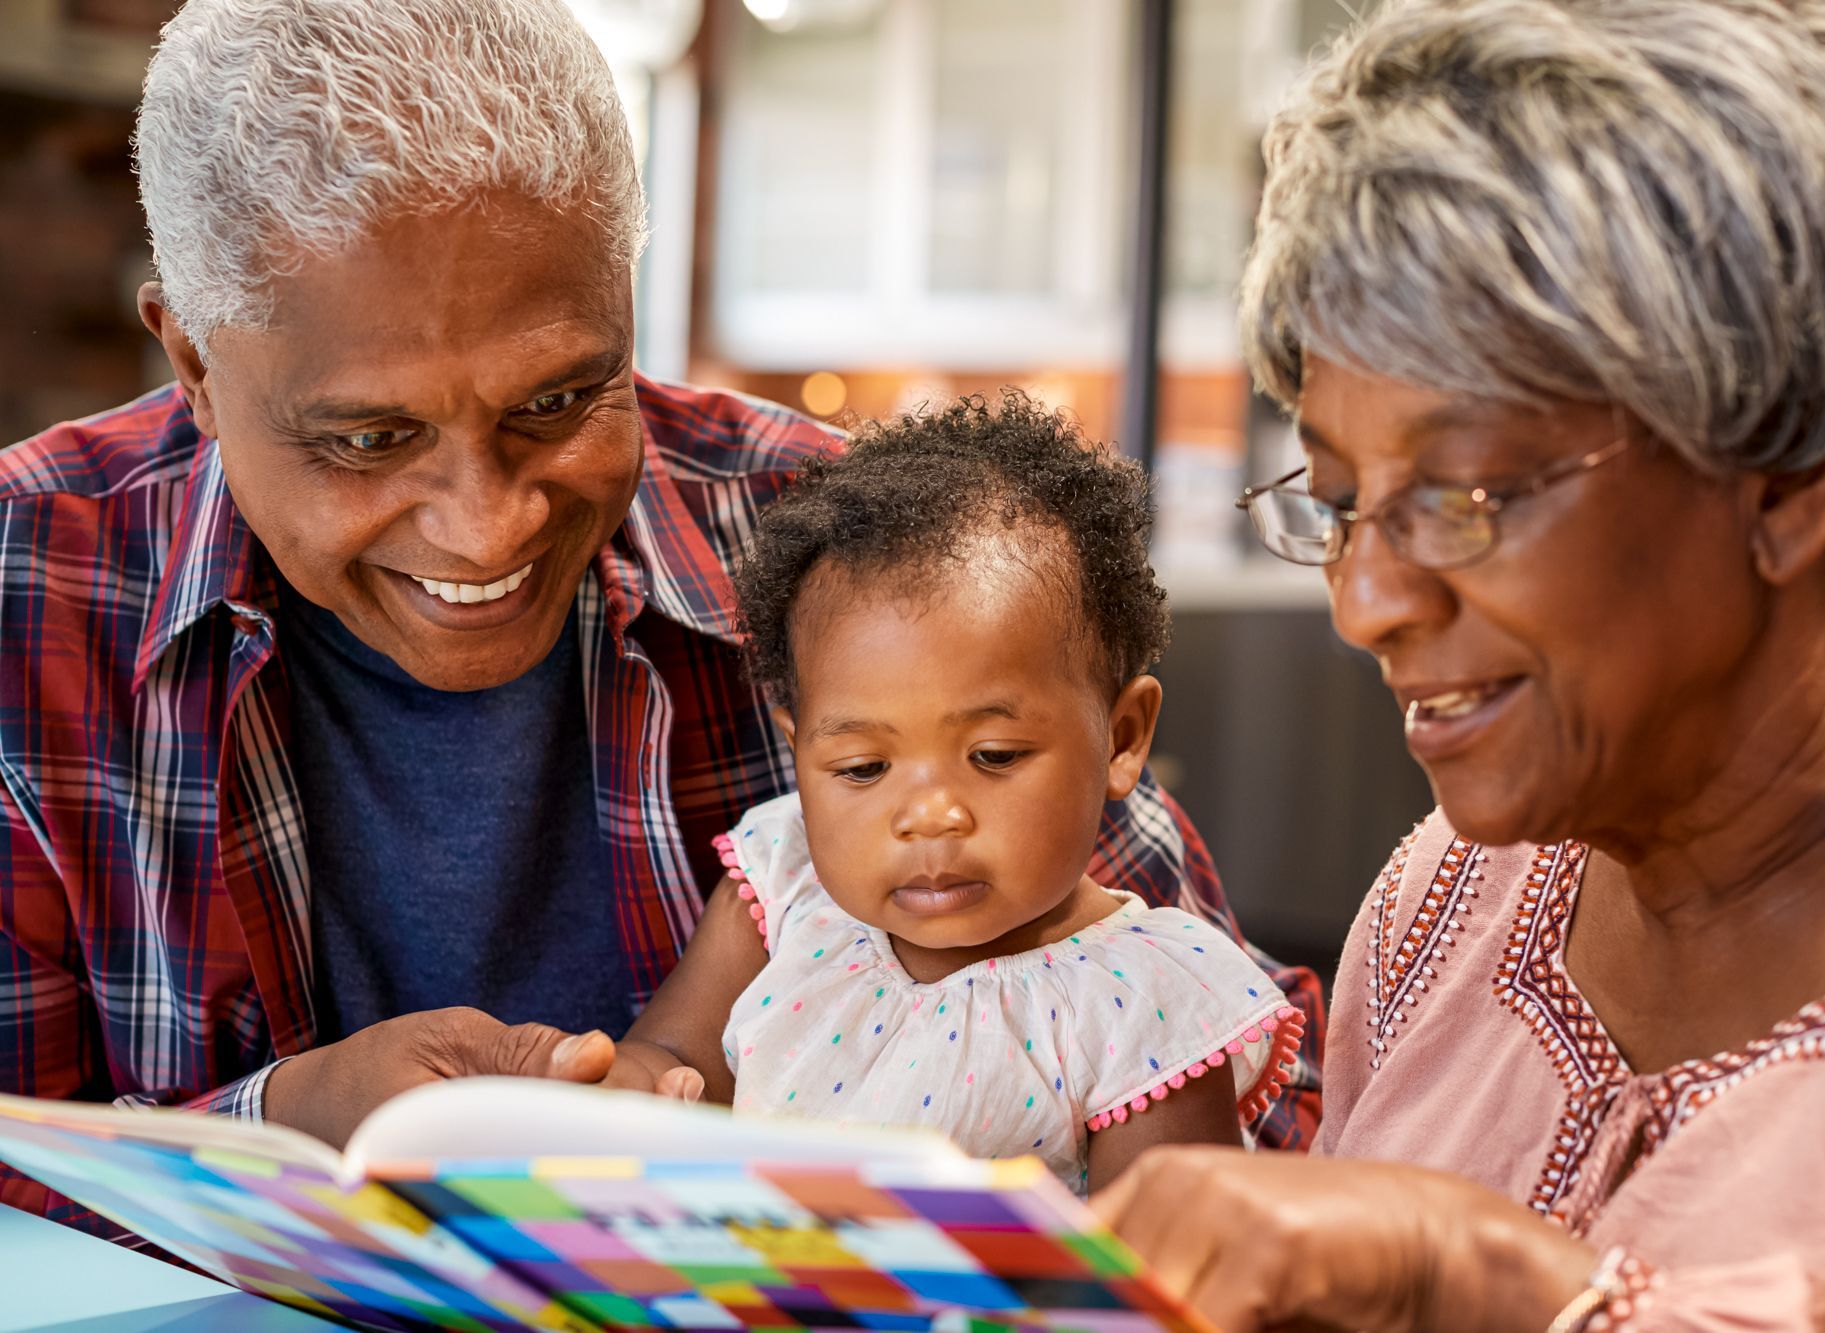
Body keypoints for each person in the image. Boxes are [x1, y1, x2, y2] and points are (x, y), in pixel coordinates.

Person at [0, 0, 1323, 1240]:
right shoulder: (31, 581)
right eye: (371, 436)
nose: (487, 524)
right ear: (193, 365)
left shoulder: (864, 559)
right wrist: (281, 1130)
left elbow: (1251, 1088)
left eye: (561, 399)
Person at [1096, 0, 1825, 1329]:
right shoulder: (1451, 903)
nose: (1368, 601)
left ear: (1792, 473)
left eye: (1465, 497)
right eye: (1340, 504)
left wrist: (1479, 1270)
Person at [604, 395, 1306, 1194]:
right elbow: (676, 1066)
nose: (931, 813)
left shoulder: (1144, 1004)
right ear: (797, 754)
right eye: (864, 768)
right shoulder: (785, 886)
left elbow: (1152, 1263)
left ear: (1122, 737)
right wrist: (621, 1083)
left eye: (994, 754)